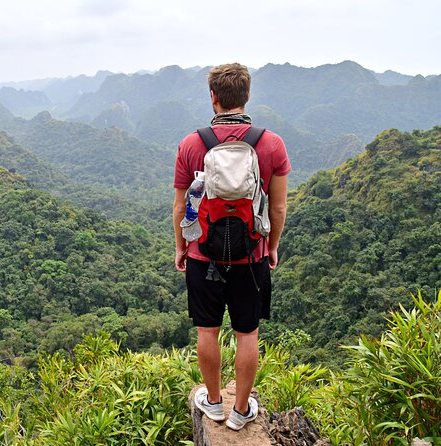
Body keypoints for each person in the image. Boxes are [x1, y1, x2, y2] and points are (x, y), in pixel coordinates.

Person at [173, 63, 291, 431]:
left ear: (213, 97)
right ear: (247, 96)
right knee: (247, 333)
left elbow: (181, 205)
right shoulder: (270, 144)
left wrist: (181, 246)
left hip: (202, 252)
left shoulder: (192, 143)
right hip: (251, 253)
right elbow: (279, 206)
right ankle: (241, 411)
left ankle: (212, 403)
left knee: (206, 330)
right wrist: (271, 246)